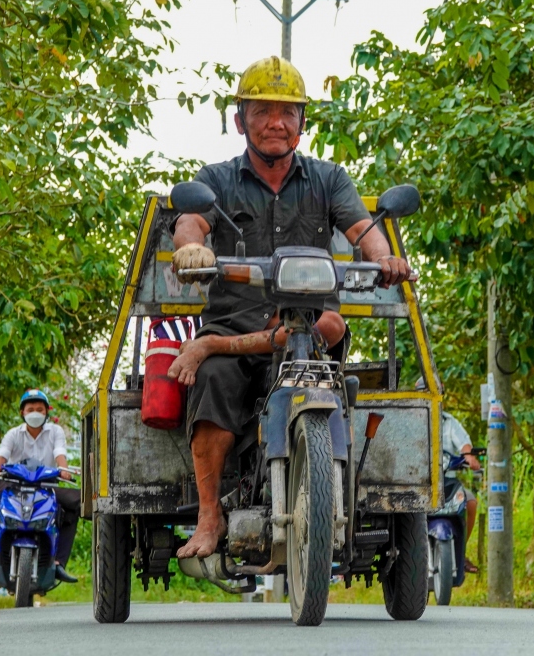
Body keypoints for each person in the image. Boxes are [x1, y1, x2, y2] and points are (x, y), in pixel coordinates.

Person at [166, 55, 416, 559]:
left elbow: (362, 230)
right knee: (213, 379)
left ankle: (329, 482)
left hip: (308, 325)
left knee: (330, 324)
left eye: (287, 113)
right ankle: (210, 514)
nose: (275, 123)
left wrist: (385, 259)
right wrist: (190, 245)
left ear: (303, 124)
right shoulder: (217, 177)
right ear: (240, 120)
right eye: (261, 111)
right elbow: (190, 220)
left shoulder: (329, 179)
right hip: (235, 330)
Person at [0, 389, 78, 582]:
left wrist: (63, 469)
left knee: (70, 512)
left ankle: (59, 563)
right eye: (31, 409)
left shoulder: (56, 431)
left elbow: (60, 452)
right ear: (22, 412)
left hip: (46, 486)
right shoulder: (13, 434)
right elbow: (2, 453)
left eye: (40, 409)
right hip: (14, 487)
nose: (35, 413)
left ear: (47, 412)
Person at [441, 408, 481, 573]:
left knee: (470, 503)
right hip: (416, 481)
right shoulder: (410, 418)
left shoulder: (449, 421)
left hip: (446, 480)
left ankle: (460, 552)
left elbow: (463, 443)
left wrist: (468, 456)